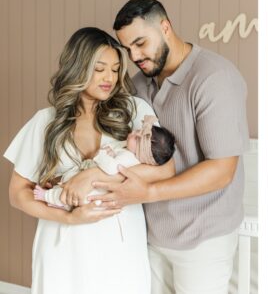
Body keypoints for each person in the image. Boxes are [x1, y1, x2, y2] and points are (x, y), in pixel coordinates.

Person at [100, 0, 249, 294]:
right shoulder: (140, 84)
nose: (135, 56)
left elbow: (222, 171)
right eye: (128, 49)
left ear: (165, 27)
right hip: (151, 235)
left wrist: (149, 192)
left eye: (141, 43)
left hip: (203, 239)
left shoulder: (213, 78)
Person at [4, 27, 161, 293]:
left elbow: (164, 170)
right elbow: (17, 194)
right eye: (99, 69)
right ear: (78, 68)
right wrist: (70, 219)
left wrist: (96, 175)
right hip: (62, 243)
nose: (109, 78)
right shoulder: (45, 122)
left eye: (114, 69)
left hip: (120, 247)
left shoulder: (135, 112)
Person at [33, 116, 176, 208]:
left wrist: (100, 154)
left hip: (96, 189)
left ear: (142, 152)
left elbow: (112, 168)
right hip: (89, 171)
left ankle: (47, 196)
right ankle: (55, 190)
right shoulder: (128, 149)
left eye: (136, 137)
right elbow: (115, 149)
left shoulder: (130, 158)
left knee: (73, 189)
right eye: (136, 131)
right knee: (70, 178)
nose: (132, 133)